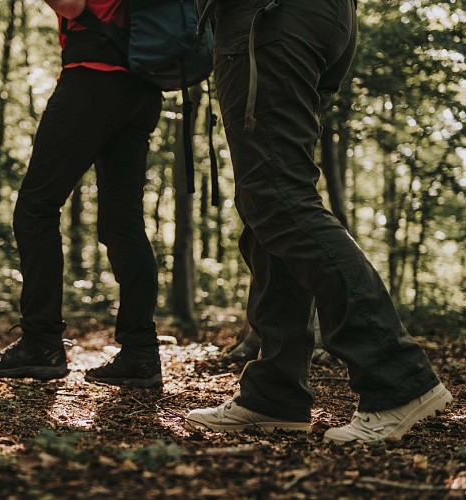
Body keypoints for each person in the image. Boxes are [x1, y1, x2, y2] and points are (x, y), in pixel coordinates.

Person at [185, 0, 452, 442]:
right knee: (268, 208)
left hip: (267, 17)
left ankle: (399, 382)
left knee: (280, 200)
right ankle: (274, 396)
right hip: (303, 19)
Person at [0, 0, 164, 388]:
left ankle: (41, 342)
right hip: (142, 88)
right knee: (123, 224)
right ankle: (141, 353)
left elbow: (74, 5)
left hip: (93, 79)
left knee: (35, 209)